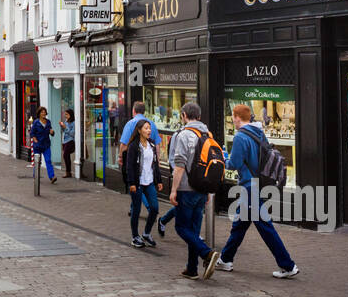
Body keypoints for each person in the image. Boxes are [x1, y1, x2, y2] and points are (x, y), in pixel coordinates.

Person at [216, 104, 299, 278]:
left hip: (249, 186)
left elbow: (234, 164)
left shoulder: (240, 137)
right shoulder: (258, 132)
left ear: (237, 117)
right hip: (258, 183)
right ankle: (225, 259)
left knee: (265, 227)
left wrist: (224, 158)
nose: (233, 120)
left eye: (233, 116)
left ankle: (288, 265)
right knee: (239, 225)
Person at [166, 102, 219, 279]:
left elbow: (179, 165)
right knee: (193, 232)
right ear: (200, 116)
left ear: (184, 115)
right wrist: (209, 192)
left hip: (186, 189)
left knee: (181, 227)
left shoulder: (184, 135)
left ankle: (207, 253)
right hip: (202, 189)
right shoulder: (208, 134)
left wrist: (174, 190)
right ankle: (192, 268)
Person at [122, 118, 162, 249]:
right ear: (139, 130)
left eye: (149, 128)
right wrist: (132, 183)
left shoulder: (151, 144)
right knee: (136, 210)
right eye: (146, 128)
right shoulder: (134, 146)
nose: (149, 130)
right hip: (137, 183)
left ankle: (146, 233)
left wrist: (159, 180)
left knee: (155, 208)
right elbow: (130, 166)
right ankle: (135, 236)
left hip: (149, 181)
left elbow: (155, 164)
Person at [30, 106, 57, 184]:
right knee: (37, 161)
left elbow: (51, 132)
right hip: (38, 145)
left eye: (44, 112)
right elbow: (32, 133)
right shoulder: (36, 122)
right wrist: (35, 141)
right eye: (42, 112)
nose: (44, 113)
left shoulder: (48, 122)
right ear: (39, 113)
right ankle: (35, 175)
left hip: (46, 145)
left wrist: (52, 132)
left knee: (48, 160)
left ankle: (52, 177)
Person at [60, 108, 76, 178]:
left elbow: (72, 133)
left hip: (70, 141)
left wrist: (65, 127)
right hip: (65, 141)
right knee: (67, 156)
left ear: (71, 115)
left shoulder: (74, 123)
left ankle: (68, 172)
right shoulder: (66, 121)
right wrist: (62, 126)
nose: (65, 116)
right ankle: (68, 172)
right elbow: (64, 131)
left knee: (65, 155)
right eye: (65, 114)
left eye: (67, 114)